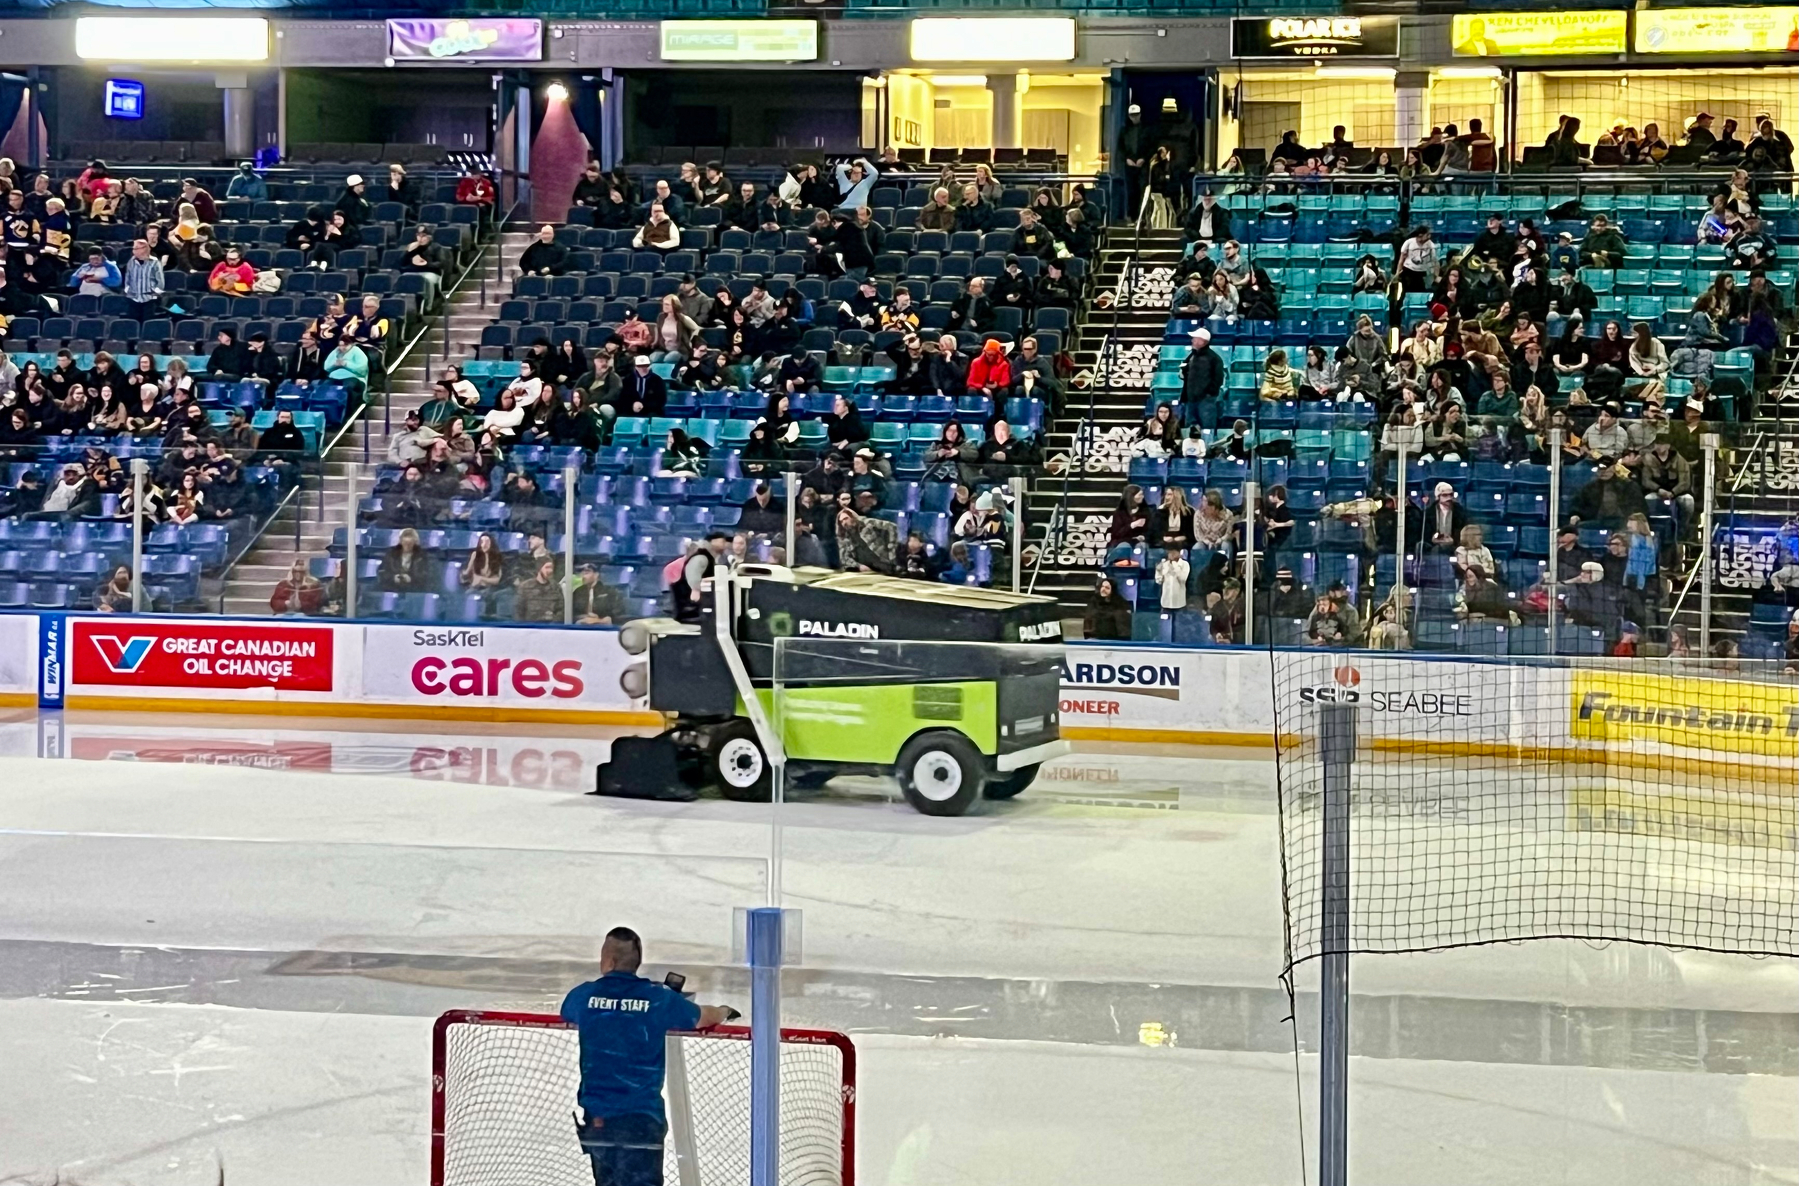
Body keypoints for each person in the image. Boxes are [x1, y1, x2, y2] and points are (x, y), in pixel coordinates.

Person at [562, 927, 734, 1186]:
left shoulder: (585, 996)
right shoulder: (657, 998)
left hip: (599, 1122)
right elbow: (702, 1017)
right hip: (641, 1122)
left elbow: (569, 1010)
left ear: (608, 961)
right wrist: (723, 1011)